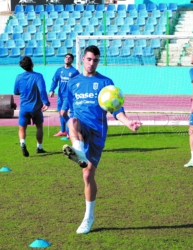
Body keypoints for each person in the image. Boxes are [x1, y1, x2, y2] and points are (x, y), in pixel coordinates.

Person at [61, 45, 142, 234]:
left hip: (97, 132)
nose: (92, 63)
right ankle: (79, 151)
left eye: (95, 60)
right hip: (81, 127)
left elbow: (116, 108)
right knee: (72, 121)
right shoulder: (73, 83)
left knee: (88, 175)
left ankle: (89, 217)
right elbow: (68, 107)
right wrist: (63, 110)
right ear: (82, 59)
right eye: (89, 59)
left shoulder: (105, 82)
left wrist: (128, 123)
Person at [14, 56, 50, 157]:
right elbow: (42, 90)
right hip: (36, 107)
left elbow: (15, 91)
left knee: (22, 128)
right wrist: (46, 102)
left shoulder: (19, 77)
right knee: (39, 127)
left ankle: (22, 143)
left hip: (24, 107)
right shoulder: (38, 76)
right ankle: (39, 147)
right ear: (32, 64)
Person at [49, 53, 79, 138]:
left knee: (64, 113)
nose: (67, 59)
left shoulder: (74, 72)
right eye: (66, 57)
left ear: (72, 60)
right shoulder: (59, 70)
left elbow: (78, 84)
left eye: (69, 58)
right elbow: (55, 80)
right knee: (60, 113)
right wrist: (51, 90)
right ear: (64, 59)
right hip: (60, 95)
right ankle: (63, 131)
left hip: (69, 96)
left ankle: (71, 131)